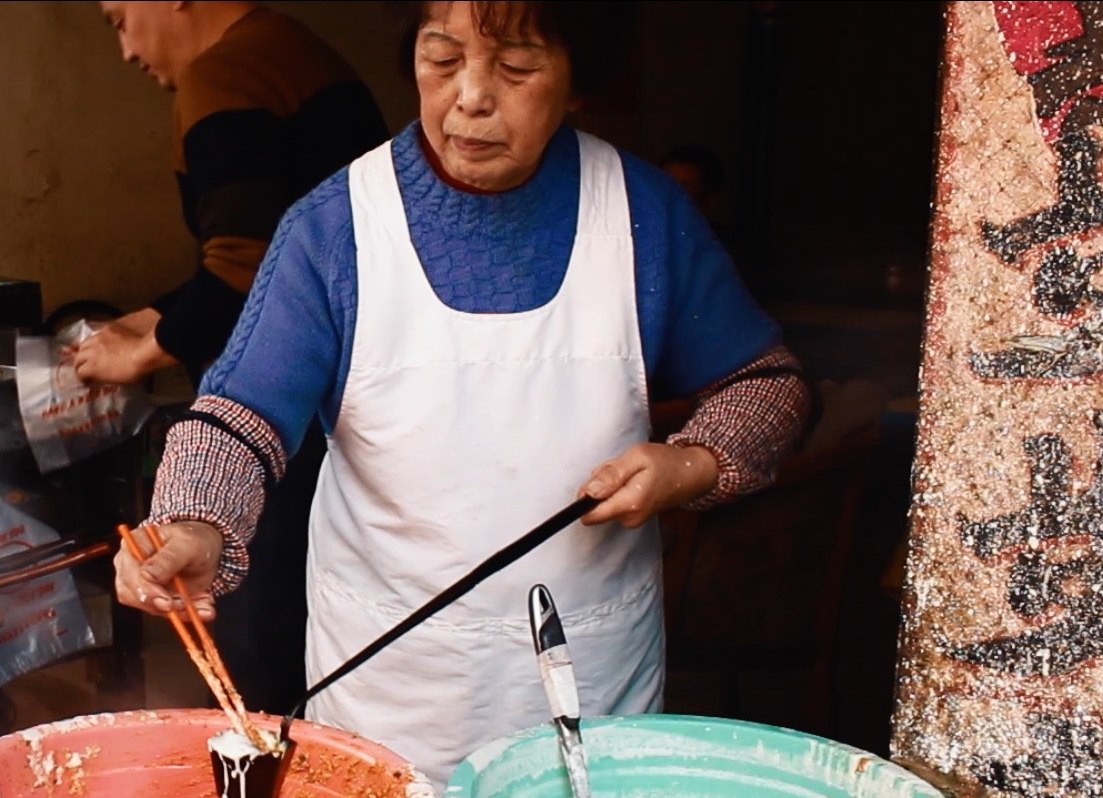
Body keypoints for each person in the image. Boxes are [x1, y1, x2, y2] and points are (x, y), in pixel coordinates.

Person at [113, 0, 813, 788]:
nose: (471, 97)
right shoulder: (336, 226)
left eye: (516, 66)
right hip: (392, 693)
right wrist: (195, 521)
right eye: (442, 59)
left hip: (593, 683)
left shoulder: (644, 215)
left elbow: (768, 386)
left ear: (578, 79)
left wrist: (692, 464)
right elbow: (238, 415)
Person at [82, 0, 391, 717]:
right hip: (360, 398)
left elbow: (247, 268)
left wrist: (143, 354)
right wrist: (148, 319)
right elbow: (271, 243)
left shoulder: (222, 74)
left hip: (289, 415)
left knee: (258, 647)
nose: (126, 50)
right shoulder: (302, 51)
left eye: (120, 19)